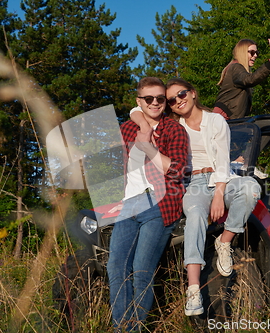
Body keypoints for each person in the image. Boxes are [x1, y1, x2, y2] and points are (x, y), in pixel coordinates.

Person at [133, 78, 262, 316]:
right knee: (194, 215)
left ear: (193, 93)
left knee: (251, 188)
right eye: (171, 99)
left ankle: (224, 241)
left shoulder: (216, 121)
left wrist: (219, 194)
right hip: (192, 182)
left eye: (181, 94)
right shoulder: (172, 125)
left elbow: (223, 159)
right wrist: (142, 122)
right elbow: (136, 108)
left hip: (222, 177)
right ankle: (193, 290)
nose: (177, 101)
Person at [107, 77, 189, 331]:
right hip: (129, 204)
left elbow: (176, 172)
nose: (155, 103)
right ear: (139, 102)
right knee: (116, 268)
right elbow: (118, 167)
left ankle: (136, 328)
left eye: (160, 99)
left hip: (158, 204)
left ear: (166, 101)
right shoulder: (127, 129)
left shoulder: (174, 130)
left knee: (141, 270)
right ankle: (122, 327)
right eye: (148, 99)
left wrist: (148, 146)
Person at [214, 38, 270, 152]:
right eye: (252, 52)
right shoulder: (236, 68)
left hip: (233, 120)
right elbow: (250, 80)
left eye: (257, 53)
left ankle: (246, 161)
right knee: (269, 125)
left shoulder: (236, 69)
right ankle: (246, 161)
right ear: (242, 52)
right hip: (226, 122)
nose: (255, 56)